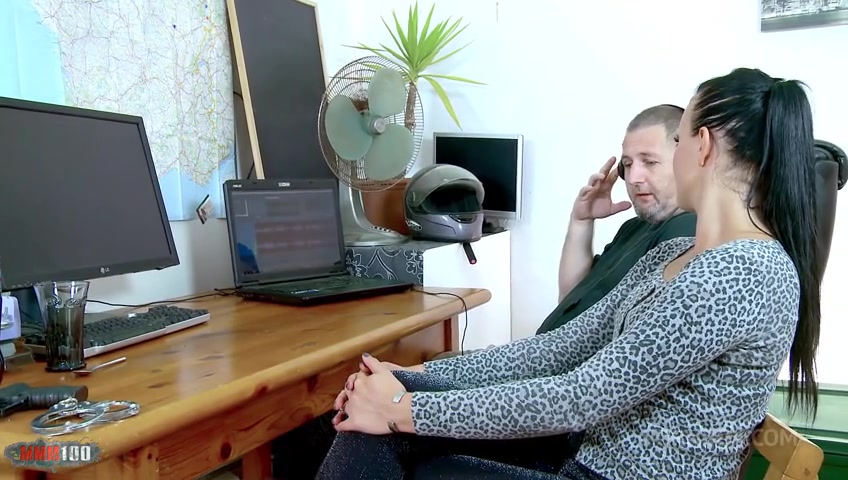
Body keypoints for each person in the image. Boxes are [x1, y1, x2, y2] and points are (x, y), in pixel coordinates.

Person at [316, 67, 822, 480]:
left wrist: (403, 409)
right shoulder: (677, 254)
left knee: (383, 435)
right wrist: (420, 378)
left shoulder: (742, 274)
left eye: (679, 138)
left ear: (703, 146)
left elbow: (583, 395)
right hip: (582, 457)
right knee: (371, 413)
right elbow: (560, 348)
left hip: (601, 471)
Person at [271, 105, 697, 479]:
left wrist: (403, 404)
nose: (633, 177)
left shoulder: (686, 242)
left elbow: (577, 388)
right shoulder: (639, 233)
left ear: (689, 157)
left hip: (548, 406)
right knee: (355, 407)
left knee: (364, 422)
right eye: (627, 164)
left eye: (649, 162)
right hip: (539, 377)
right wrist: (581, 221)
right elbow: (573, 307)